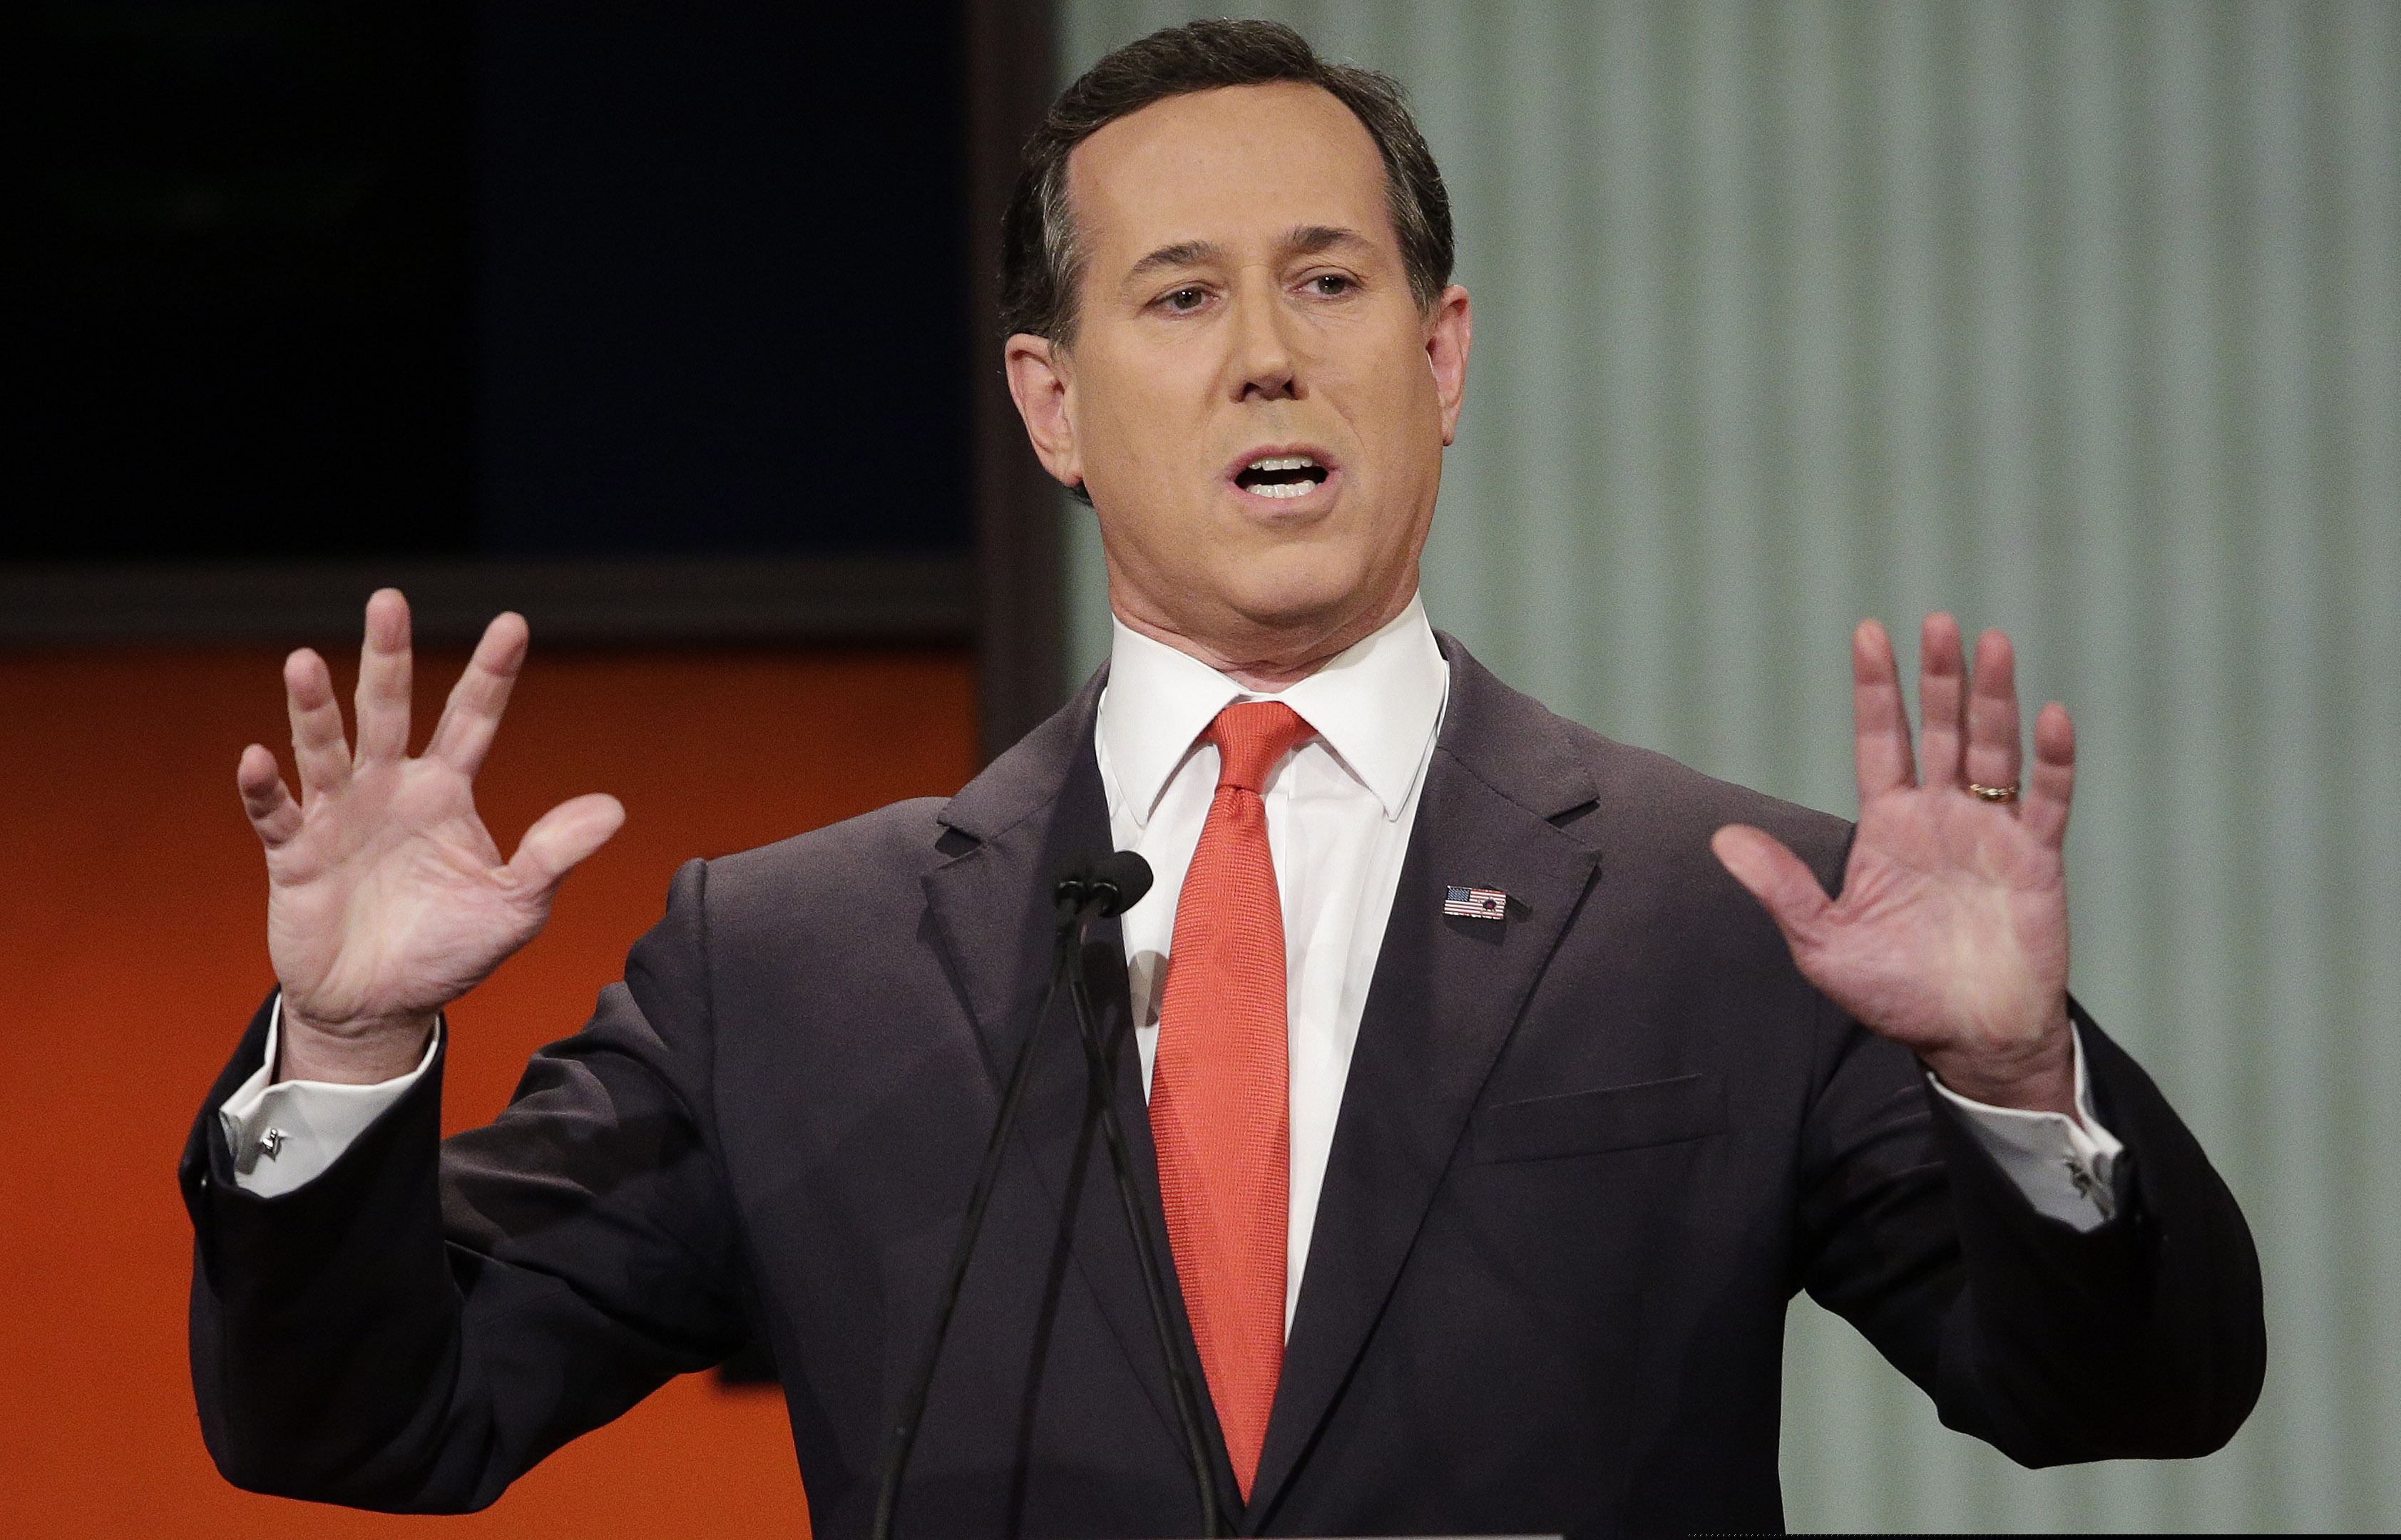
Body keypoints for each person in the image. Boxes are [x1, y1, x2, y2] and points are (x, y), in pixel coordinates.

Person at [185, 20, 2263, 1539]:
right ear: (1054, 399)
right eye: (1180, 297)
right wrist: (352, 1042)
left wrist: (2011, 1086)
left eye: (1327, 282)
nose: (1267, 351)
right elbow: (378, 1422)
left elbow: (2126, 1405)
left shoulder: (1720, 915)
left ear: (1438, 361)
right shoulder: (789, 963)